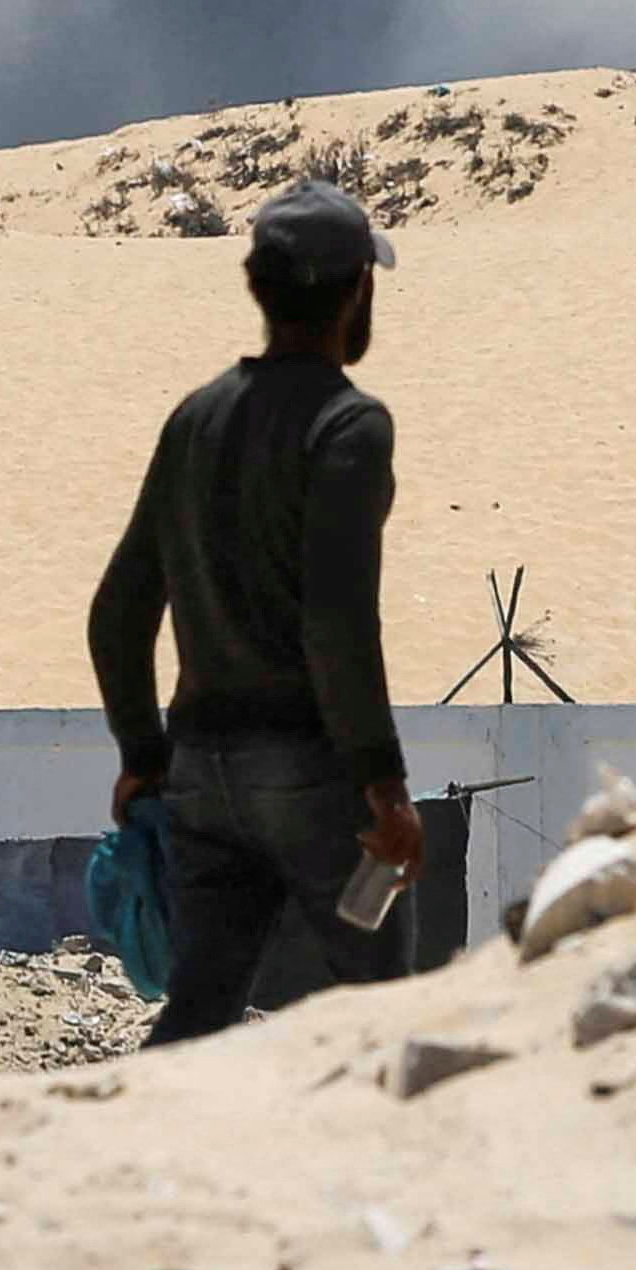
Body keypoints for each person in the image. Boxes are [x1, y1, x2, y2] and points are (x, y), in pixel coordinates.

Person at [85, 176, 428, 1044]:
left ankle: (120, 1152)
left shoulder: (194, 419)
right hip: (311, 770)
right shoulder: (350, 427)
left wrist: (141, 756)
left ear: (259, 287)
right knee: (379, 1012)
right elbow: (339, 622)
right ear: (358, 289)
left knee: (200, 1008)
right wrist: (383, 785)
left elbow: (119, 609)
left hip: (200, 772)